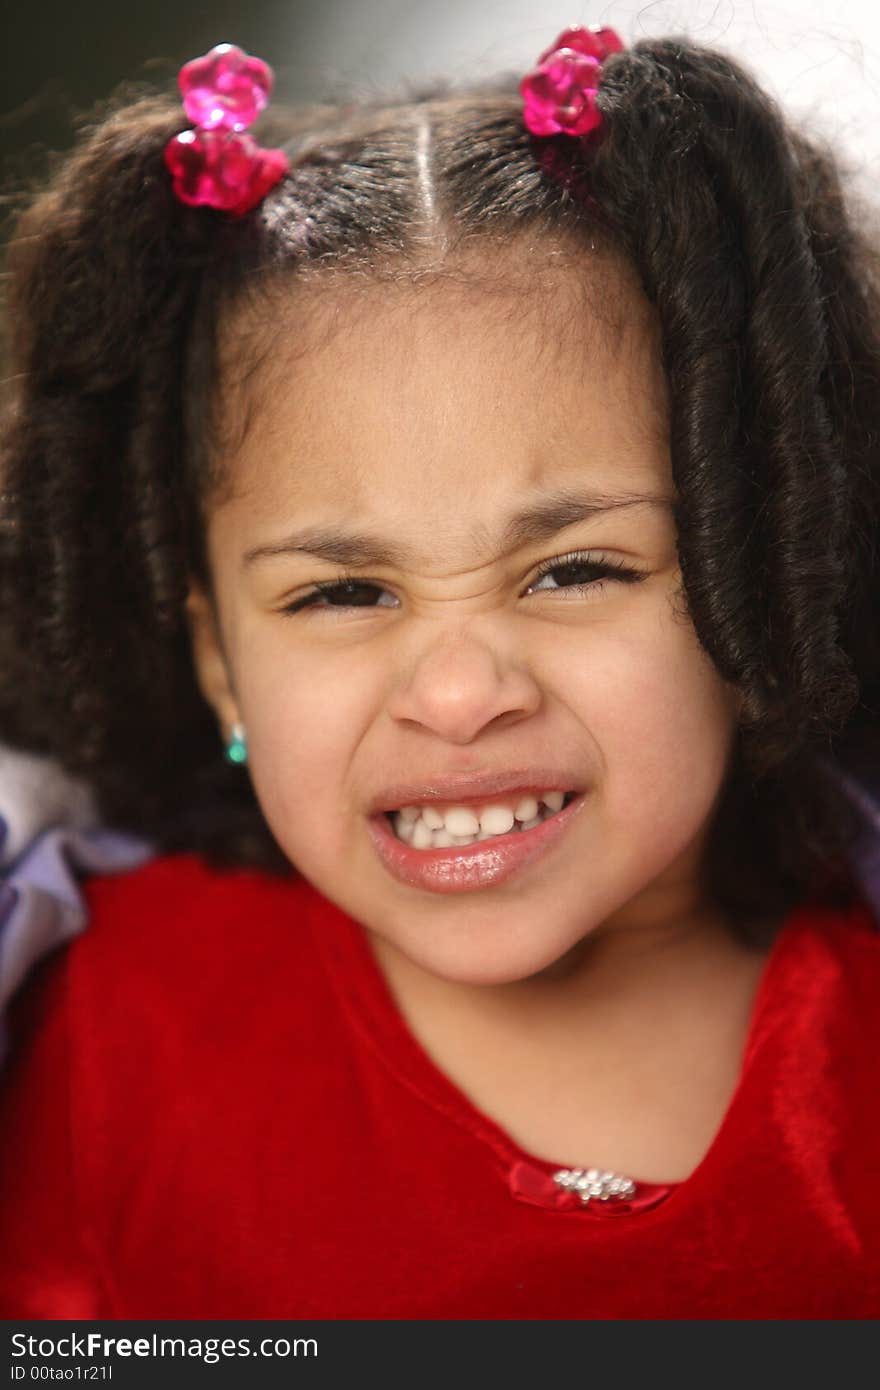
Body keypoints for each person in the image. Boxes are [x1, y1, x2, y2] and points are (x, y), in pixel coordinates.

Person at [0, 25, 879, 1319]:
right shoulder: (106, 1030)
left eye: (576, 569)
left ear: (767, 569)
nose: (461, 694)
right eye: (342, 591)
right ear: (218, 661)